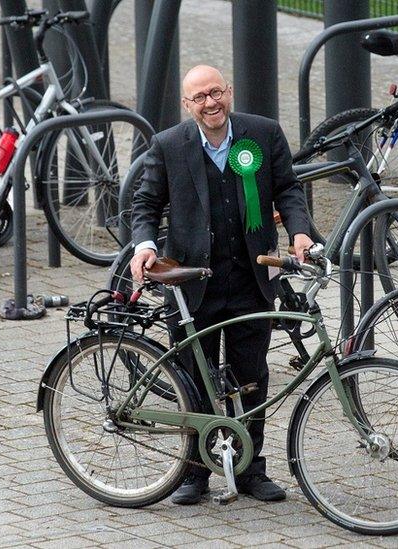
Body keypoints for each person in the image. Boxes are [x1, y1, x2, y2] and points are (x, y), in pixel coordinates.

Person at [130, 65, 314, 505]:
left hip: (251, 276)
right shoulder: (169, 145)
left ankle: (252, 468)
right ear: (186, 105)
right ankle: (195, 472)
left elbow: (288, 189)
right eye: (200, 97)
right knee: (194, 378)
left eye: (216, 92)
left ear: (229, 92)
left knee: (252, 374)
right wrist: (144, 245)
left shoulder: (263, 134)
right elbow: (145, 203)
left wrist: (300, 230)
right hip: (193, 285)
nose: (210, 103)